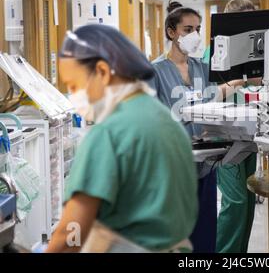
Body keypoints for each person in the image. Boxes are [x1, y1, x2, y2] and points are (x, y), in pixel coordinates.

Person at [46, 24, 198, 252]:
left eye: (74, 85)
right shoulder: (165, 119)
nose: (73, 95)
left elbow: (72, 233)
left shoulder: (108, 132)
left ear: (102, 72)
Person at [149, 1, 248, 253]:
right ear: (172, 32)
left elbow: (214, 95)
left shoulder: (202, 68)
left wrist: (244, 79)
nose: (194, 35)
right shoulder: (155, 71)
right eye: (187, 29)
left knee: (204, 236)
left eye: (198, 29)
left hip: (205, 164)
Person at [203, 0, 258, 253]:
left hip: (250, 133)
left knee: (246, 199)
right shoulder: (213, 52)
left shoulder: (254, 51)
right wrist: (241, 81)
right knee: (235, 201)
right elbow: (208, 96)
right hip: (224, 136)